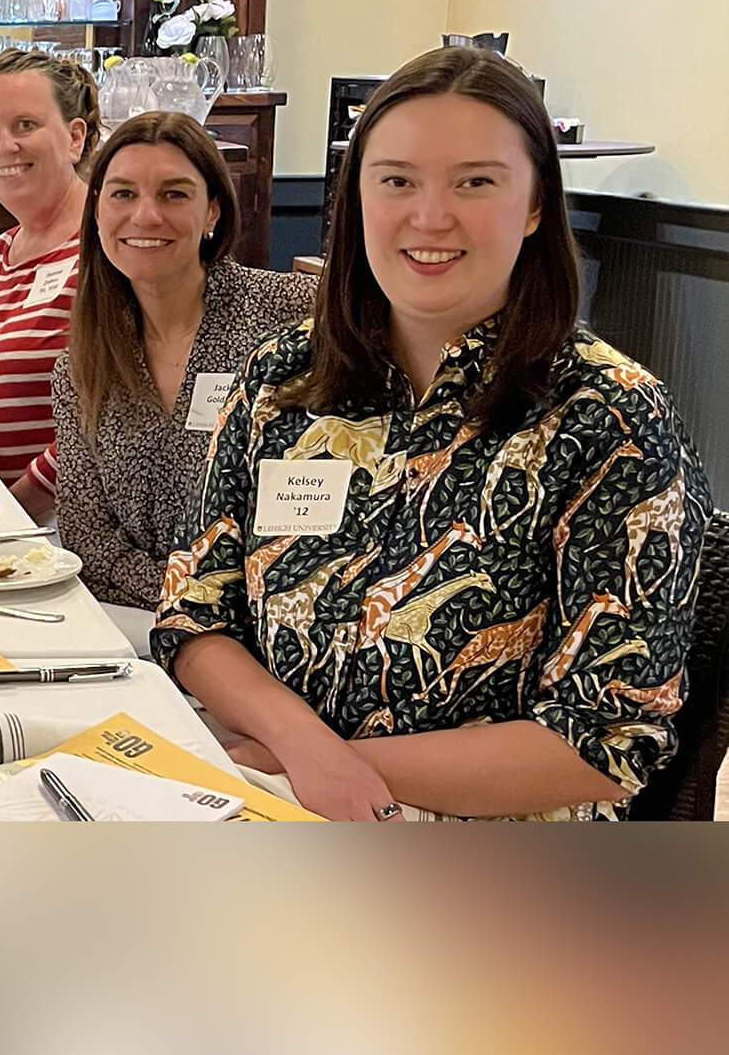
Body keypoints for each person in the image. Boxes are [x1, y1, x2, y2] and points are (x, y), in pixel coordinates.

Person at [151, 47, 711, 821]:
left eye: (475, 182)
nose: (429, 216)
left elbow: (605, 742)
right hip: (272, 786)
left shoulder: (609, 416)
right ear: (356, 199)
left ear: (538, 203)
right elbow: (193, 616)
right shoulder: (280, 378)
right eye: (397, 181)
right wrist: (305, 753)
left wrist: (338, 769)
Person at [53, 112, 316, 612]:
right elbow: (87, 536)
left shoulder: (297, 315)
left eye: (174, 194)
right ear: (96, 211)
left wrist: (227, 610)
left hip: (279, 626)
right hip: (138, 622)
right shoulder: (82, 365)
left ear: (212, 212)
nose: (146, 216)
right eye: (123, 194)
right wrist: (189, 600)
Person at [0, 48, 99, 518]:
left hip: (62, 533)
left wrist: (14, 512)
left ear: (75, 138)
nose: (3, 146)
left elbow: (111, 416)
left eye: (25, 126)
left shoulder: (107, 250)